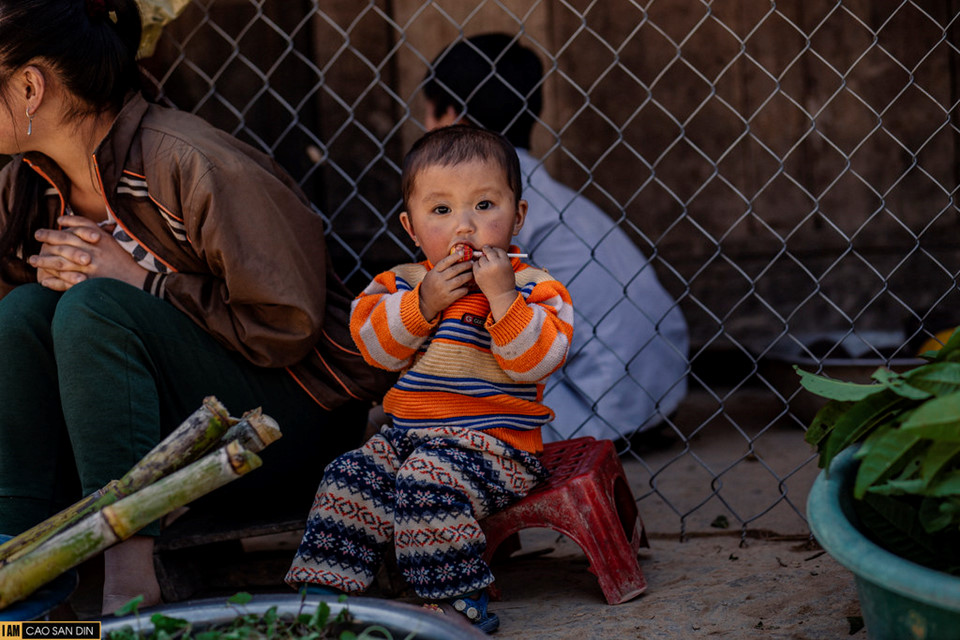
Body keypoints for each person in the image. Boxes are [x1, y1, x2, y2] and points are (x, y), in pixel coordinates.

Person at [0, 0, 392, 614]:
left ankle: (129, 593)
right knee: (24, 311)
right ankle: (14, 581)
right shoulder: (25, 184)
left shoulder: (193, 162)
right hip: (160, 443)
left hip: (286, 431)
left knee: (96, 308)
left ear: (28, 86)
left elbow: (284, 327)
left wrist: (142, 283)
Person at [285, 125, 573, 633]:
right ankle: (324, 598)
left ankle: (459, 604)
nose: (465, 226)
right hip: (406, 436)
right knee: (349, 475)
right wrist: (423, 305)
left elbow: (536, 361)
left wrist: (503, 299)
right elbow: (374, 348)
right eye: (441, 211)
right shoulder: (400, 285)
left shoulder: (533, 288)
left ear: (519, 216)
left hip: (495, 448)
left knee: (427, 483)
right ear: (412, 228)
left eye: (485, 205)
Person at [423, 33, 690, 445]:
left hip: (586, 411)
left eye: (429, 116)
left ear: (453, 117)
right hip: (654, 399)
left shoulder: (479, 211)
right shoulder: (550, 199)